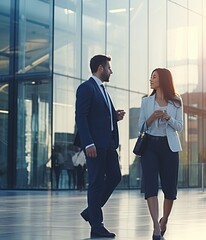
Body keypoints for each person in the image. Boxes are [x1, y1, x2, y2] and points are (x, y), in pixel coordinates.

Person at [75, 54, 126, 238]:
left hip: (109, 144)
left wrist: (115, 116)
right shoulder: (86, 88)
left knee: (115, 176)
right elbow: (81, 117)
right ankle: (97, 226)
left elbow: (101, 115)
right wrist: (88, 142)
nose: (111, 70)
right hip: (94, 144)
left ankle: (91, 211)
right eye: (109, 67)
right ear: (100, 68)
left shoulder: (103, 90)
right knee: (96, 182)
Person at [138, 68, 183, 240]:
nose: (151, 80)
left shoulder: (177, 102)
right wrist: (151, 118)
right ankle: (156, 227)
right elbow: (141, 127)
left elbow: (180, 126)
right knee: (150, 185)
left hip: (169, 147)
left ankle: (164, 222)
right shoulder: (146, 102)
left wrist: (166, 117)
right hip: (149, 146)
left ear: (163, 80)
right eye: (151, 77)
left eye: (154, 77)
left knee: (169, 188)